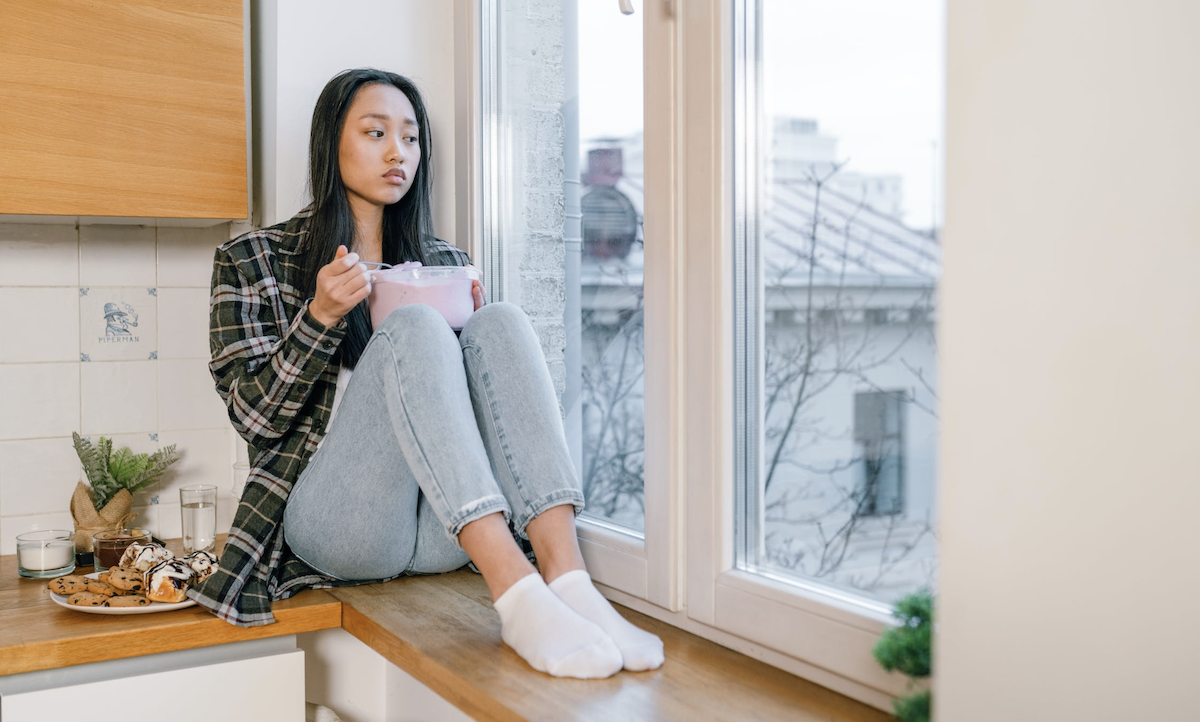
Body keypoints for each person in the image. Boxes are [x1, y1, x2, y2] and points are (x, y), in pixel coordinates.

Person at [193, 68, 663, 679]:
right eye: (375, 132)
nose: (398, 153)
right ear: (330, 142)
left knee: (501, 320)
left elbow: (485, 406)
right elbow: (254, 418)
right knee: (415, 326)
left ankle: (570, 585)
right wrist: (319, 317)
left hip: (444, 529)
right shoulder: (252, 258)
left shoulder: (445, 263)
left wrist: (470, 340)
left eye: (411, 138)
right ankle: (517, 597)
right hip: (339, 527)